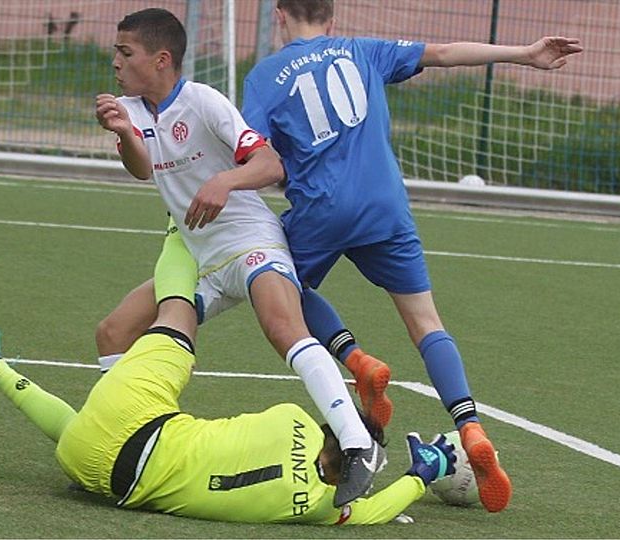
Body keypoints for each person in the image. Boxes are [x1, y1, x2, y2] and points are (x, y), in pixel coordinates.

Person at [230, 0, 583, 513]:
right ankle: (472, 429)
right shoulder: (363, 50)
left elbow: (256, 153)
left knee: (275, 282)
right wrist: (523, 54)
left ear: (280, 14)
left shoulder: (265, 76)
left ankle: (357, 359)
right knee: (426, 323)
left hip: (323, 210)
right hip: (386, 206)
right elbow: (442, 52)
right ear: (332, 17)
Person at [0, 227, 458, 525]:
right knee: (79, 428)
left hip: (136, 419)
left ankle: (176, 225)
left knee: (178, 312)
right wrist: (425, 471)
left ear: (333, 429)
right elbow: (372, 511)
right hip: (98, 474)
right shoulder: (324, 511)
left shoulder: (293, 420)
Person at [92, 7, 383, 506]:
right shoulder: (133, 108)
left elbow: (269, 164)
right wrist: (122, 131)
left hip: (251, 243)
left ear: (161, 60)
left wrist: (224, 180)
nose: (115, 62)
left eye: (125, 53)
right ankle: (116, 436)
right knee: (114, 331)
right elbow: (143, 169)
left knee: (283, 329)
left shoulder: (204, 102)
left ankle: (358, 444)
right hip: (204, 263)